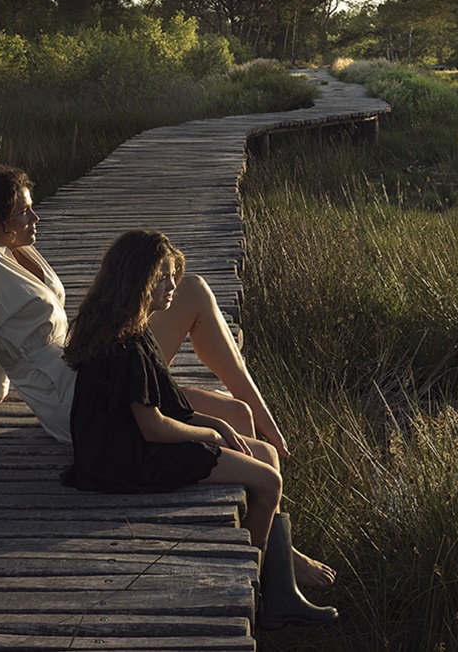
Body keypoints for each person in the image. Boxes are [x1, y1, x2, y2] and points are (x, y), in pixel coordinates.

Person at [0, 165, 335, 587]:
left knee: (233, 409)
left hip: (84, 363)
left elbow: (1, 327)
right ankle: (276, 554)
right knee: (193, 295)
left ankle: (274, 538)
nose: (35, 214)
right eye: (23, 209)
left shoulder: (16, 250)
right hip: (76, 397)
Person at [58, 229, 336, 629]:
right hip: (127, 459)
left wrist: (218, 421)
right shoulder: (126, 347)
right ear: (136, 280)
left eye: (173, 275)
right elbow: (153, 427)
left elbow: (168, 401)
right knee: (269, 481)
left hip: (127, 443)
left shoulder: (131, 326)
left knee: (267, 455)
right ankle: (265, 588)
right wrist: (212, 435)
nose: (172, 286)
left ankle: (280, 579)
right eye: (162, 278)